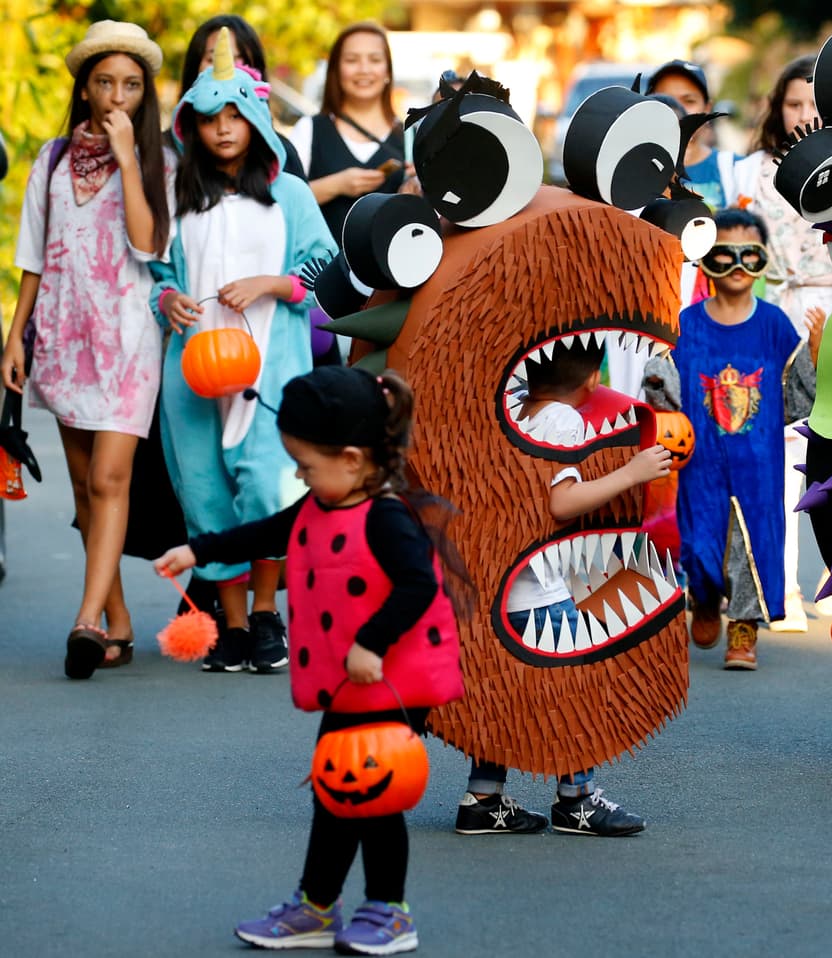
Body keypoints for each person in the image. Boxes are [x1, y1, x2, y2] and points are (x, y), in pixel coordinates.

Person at [155, 366, 466, 953]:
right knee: (336, 789)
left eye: (306, 465)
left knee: (372, 792)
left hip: (388, 682)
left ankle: (388, 912)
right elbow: (263, 533)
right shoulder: (320, 506)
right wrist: (194, 550)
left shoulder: (386, 516)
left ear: (351, 460)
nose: (300, 474)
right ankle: (318, 907)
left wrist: (372, 642)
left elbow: (416, 588)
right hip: (352, 685)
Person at [150, 28, 336, 674]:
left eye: (235, 115)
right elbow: (156, 274)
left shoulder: (288, 193)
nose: (224, 129)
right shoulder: (178, 195)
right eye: (210, 118)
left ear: (255, 119)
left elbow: (323, 265)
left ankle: (264, 614)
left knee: (265, 487)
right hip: (191, 369)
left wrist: (273, 284)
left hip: (270, 365)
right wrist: (166, 299)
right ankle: (228, 625)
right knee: (205, 493)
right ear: (192, 126)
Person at [0, 20, 171, 678]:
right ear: (85, 87)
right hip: (65, 337)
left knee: (109, 479)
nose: (116, 96)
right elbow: (32, 258)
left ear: (142, 93)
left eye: (130, 84)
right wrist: (16, 339)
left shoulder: (160, 159)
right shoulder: (50, 158)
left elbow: (148, 245)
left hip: (128, 339)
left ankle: (85, 619)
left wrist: (129, 158)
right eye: (105, 82)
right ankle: (117, 621)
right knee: (80, 487)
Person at [455, 338, 671, 836]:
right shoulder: (561, 420)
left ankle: (482, 797)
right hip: (541, 588)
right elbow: (562, 502)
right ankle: (576, 800)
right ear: (594, 380)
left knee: (504, 695)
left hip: (499, 585)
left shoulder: (505, 408)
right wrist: (631, 472)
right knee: (578, 688)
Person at [675, 208, 818, 670]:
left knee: (753, 543)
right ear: (705, 261)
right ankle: (703, 594)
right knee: (701, 543)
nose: (736, 266)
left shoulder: (775, 325)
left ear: (763, 260)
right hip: (701, 461)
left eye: (749, 255)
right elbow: (668, 388)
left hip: (758, 463)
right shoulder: (686, 324)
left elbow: (798, 399)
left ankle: (744, 628)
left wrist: (815, 356)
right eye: (724, 255)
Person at [732, 54, 832, 631]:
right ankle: (782, 586)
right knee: (783, 448)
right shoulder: (753, 172)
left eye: (814, 104)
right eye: (793, 103)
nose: (804, 115)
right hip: (774, 311)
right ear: (777, 109)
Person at [288, 22, 407, 244]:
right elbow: (283, 203)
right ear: (335, 70)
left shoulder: (410, 136)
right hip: (319, 273)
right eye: (352, 60)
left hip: (394, 274)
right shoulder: (309, 129)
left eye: (375, 60)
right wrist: (337, 185)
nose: (364, 69)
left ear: (388, 71)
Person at [178, 15, 307, 180]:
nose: (227, 71)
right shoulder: (167, 152)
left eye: (238, 61)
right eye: (214, 60)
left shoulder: (279, 153)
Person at [645, 60, 734, 211]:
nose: (677, 111)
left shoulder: (737, 170)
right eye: (666, 100)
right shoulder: (625, 174)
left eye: (689, 101)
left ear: (707, 110)